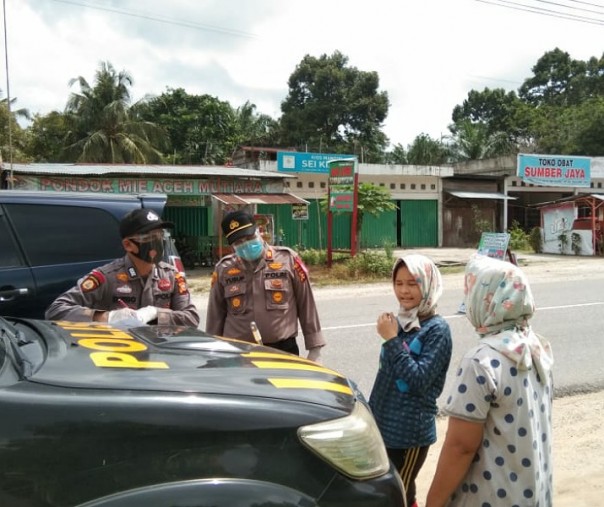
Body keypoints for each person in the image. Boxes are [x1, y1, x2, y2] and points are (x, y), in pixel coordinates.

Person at [425, 254, 554, 507]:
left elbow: (460, 446)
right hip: (532, 493)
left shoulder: (481, 361)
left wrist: (434, 501)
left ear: (484, 301)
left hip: (490, 496)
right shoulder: (536, 348)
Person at [369, 254, 452, 507]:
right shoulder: (403, 321)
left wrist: (391, 339)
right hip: (383, 426)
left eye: (413, 283)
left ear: (427, 285)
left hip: (408, 435)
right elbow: (387, 376)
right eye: (399, 283)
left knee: (395, 496)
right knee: (401, 492)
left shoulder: (437, 330)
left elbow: (418, 380)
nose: (404, 291)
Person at [45, 208, 200, 327]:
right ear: (128, 245)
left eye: (160, 235)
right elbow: (56, 311)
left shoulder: (171, 276)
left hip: (159, 352)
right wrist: (107, 317)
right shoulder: (106, 277)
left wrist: (155, 313)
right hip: (118, 354)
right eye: (149, 238)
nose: (157, 242)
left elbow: (191, 318)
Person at [205, 209, 325, 361]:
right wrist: (211, 352)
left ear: (258, 231)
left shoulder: (288, 260)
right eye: (238, 242)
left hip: (282, 352)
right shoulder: (224, 269)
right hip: (237, 353)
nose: (246, 244)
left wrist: (315, 350)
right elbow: (215, 316)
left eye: (249, 237)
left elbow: (306, 305)